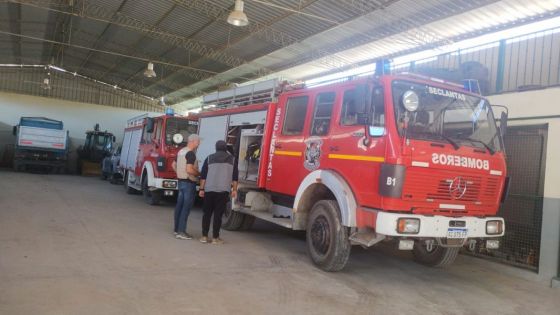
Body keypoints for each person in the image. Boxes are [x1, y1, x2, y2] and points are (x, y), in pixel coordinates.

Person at [198, 140, 238, 245]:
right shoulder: (232, 160)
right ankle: (215, 238)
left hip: (209, 190)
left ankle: (204, 236)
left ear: (216, 148)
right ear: (225, 148)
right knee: (218, 215)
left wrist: (201, 189)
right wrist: (234, 190)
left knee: (207, 214)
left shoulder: (209, 158)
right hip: (223, 191)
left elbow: (203, 176)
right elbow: (235, 177)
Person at [172, 134, 201, 240]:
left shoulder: (181, 151)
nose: (199, 144)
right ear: (193, 141)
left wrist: (179, 173)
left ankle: (176, 230)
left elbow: (173, 165)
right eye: (198, 141)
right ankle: (182, 231)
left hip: (181, 182)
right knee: (186, 207)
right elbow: (189, 169)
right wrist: (198, 173)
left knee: (179, 206)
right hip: (189, 183)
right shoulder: (190, 153)